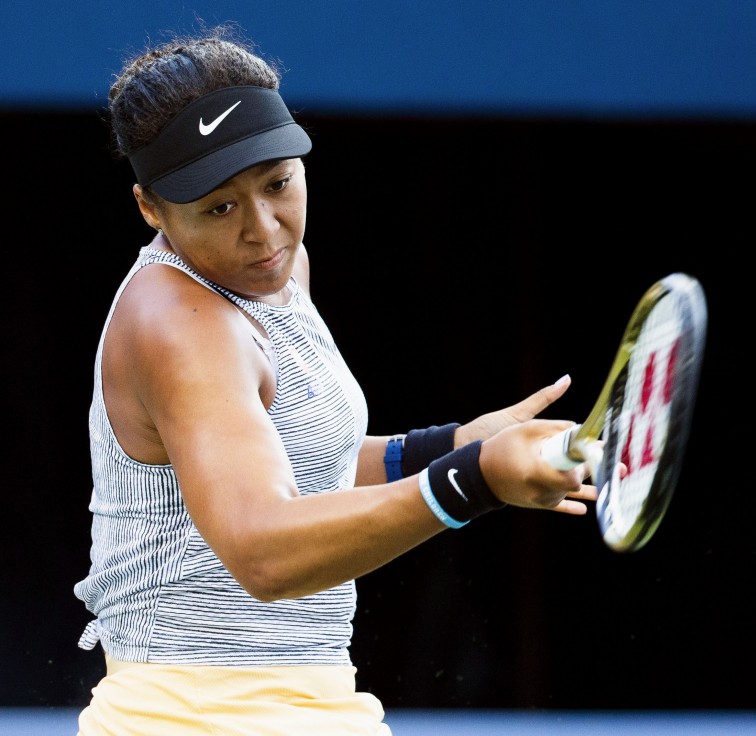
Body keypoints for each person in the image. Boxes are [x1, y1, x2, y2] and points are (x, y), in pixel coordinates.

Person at [73, 26, 597, 736]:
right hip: (195, 720)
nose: (265, 230)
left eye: (278, 184)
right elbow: (262, 548)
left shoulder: (275, 276)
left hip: (305, 708)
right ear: (150, 208)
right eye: (220, 208)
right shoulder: (179, 324)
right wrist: (470, 482)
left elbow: (297, 468)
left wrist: (457, 444)